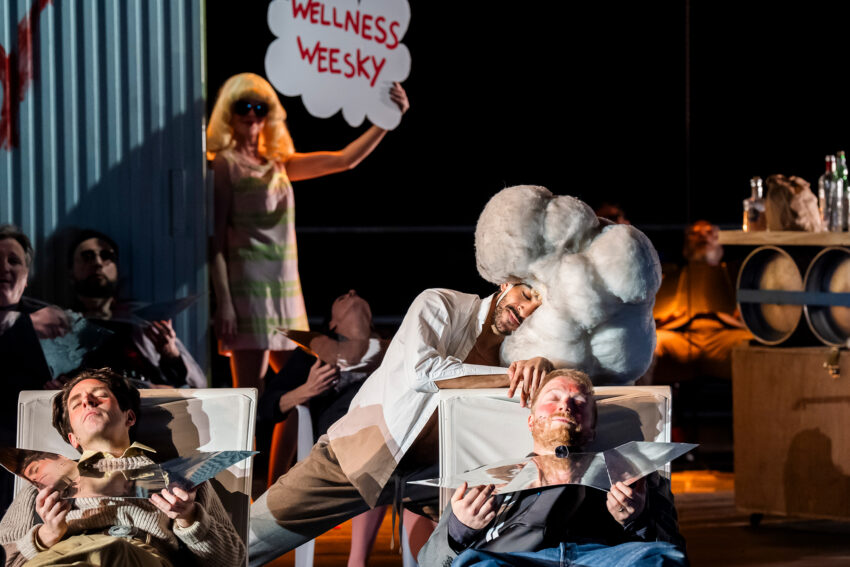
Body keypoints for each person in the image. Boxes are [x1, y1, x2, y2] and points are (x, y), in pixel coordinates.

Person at [249, 282, 554, 566]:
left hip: (431, 476)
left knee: (500, 541)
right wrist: (513, 375)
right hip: (359, 457)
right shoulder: (440, 302)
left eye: (537, 307)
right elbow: (422, 372)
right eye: (526, 294)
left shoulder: (514, 354)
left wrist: (541, 366)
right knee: (249, 539)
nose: (526, 309)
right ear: (505, 282)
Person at [207, 72, 410, 392]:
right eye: (242, 105)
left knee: (302, 384)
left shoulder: (278, 163)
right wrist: (225, 303)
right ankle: (247, 445)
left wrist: (387, 120)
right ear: (227, 112)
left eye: (259, 107)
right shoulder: (225, 164)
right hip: (248, 289)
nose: (250, 114)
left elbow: (345, 160)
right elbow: (215, 242)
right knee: (249, 393)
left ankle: (285, 446)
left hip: (285, 288)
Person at [418, 368, 687, 567]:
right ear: (532, 421)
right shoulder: (488, 480)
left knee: (658, 560)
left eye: (579, 402)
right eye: (553, 397)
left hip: (603, 559)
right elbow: (430, 562)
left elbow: (674, 550)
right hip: (512, 560)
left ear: (592, 429)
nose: (565, 405)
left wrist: (638, 519)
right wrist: (460, 528)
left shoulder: (634, 477)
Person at [0, 368, 245, 566]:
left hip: (135, 554)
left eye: (100, 395)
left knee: (115, 550)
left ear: (129, 417)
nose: (87, 400)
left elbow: (233, 560)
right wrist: (46, 535)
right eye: (76, 403)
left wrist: (189, 518)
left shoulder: (180, 477)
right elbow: (6, 559)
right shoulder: (43, 484)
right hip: (59, 556)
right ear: (73, 438)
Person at [258, 289, 391, 567]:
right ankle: (357, 560)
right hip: (346, 427)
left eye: (354, 293)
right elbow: (265, 406)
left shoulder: (394, 348)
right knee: (374, 441)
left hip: (395, 429)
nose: (352, 292)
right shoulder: (315, 352)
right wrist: (305, 390)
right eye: (341, 297)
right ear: (332, 324)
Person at [67, 229, 205, 388]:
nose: (98, 263)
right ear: (71, 271)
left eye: (106, 256)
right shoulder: (60, 326)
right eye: (87, 256)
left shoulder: (142, 319)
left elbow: (197, 384)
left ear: (117, 269)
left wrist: (170, 354)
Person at [0, 225, 70, 514]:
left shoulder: (51, 320)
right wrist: (24, 328)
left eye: (13, 261)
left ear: (27, 277)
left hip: (37, 470)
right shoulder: (33, 323)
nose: (3, 268)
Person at [646, 220, 752, 384]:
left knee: (757, 346)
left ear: (720, 243)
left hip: (725, 336)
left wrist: (743, 320)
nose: (702, 235)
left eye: (709, 232)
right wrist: (664, 320)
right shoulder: (668, 275)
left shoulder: (735, 273)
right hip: (681, 337)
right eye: (695, 233)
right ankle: (640, 405)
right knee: (649, 344)